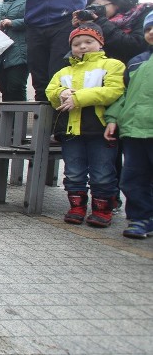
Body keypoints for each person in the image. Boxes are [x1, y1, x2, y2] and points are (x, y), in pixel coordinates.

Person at [45, 23, 125, 228]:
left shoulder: (113, 65)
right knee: (73, 172)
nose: (82, 46)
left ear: (100, 43)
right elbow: (50, 91)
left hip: (101, 130)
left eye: (88, 42)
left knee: (103, 172)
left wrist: (79, 98)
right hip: (72, 131)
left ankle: (103, 210)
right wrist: (60, 93)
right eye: (77, 43)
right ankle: (76, 207)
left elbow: (114, 91)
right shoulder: (64, 70)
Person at [104, 11, 153, 239]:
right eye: (147, 28)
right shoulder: (136, 62)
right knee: (133, 178)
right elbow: (123, 95)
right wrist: (113, 119)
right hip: (133, 132)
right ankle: (140, 218)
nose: (151, 32)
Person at [74, 0, 153, 64]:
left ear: (116, 4)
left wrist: (101, 22)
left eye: (98, 6)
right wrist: (80, 28)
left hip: (133, 68)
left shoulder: (143, 14)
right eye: (90, 8)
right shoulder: (98, 23)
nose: (94, 10)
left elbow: (136, 46)